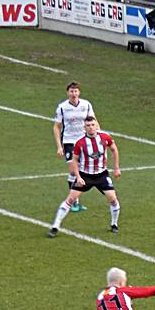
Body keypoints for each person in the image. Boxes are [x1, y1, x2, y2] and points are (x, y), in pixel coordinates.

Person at [48, 116, 120, 237]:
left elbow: (114, 149)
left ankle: (114, 224)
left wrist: (116, 168)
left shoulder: (105, 137)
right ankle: (55, 227)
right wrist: (78, 176)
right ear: (84, 127)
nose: (91, 127)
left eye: (93, 125)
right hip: (85, 175)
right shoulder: (80, 143)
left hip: (101, 175)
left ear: (96, 125)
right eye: (88, 125)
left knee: (113, 199)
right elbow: (74, 160)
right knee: (70, 199)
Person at [53, 82, 95, 212]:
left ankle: (75, 200)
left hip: (83, 141)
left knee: (80, 170)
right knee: (73, 170)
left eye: (76, 91)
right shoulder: (62, 107)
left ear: (79, 92)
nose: (74, 94)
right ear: (68, 93)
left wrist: (97, 137)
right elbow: (56, 127)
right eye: (71, 91)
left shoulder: (86, 104)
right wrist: (59, 146)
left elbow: (93, 121)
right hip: (69, 141)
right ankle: (74, 202)